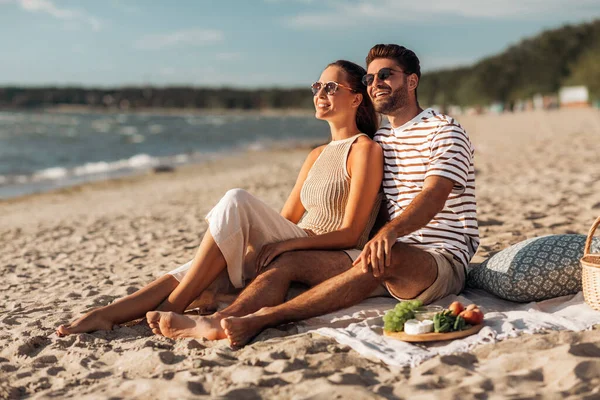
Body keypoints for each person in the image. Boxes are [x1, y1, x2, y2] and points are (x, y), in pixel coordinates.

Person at [144, 44, 479, 347]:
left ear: (412, 81)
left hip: (438, 259)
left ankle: (259, 319)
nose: (376, 83)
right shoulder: (381, 142)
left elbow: (434, 195)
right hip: (379, 254)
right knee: (288, 262)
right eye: (371, 77)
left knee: (383, 256)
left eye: (386, 75)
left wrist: (388, 233)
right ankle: (222, 317)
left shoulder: (443, 129)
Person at [56, 59, 384, 338]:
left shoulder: (364, 150)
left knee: (236, 198)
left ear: (356, 99)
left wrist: (285, 246)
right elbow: (284, 220)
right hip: (296, 240)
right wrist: (247, 248)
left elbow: (353, 233)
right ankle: (107, 313)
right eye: (317, 87)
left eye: (331, 88)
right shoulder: (316, 154)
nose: (320, 94)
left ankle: (175, 305)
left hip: (332, 252)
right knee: (198, 266)